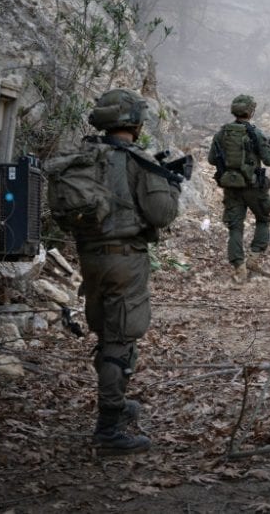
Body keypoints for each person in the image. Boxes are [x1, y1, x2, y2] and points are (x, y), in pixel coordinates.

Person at [77, 88, 180, 453]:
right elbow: (162, 215)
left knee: (107, 332)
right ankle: (108, 428)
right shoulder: (138, 160)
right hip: (125, 258)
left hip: (89, 258)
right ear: (135, 122)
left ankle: (117, 405)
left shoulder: (85, 154)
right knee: (120, 339)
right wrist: (171, 184)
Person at [208, 94, 270, 283]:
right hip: (254, 186)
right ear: (251, 111)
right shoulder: (256, 133)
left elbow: (212, 159)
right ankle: (253, 258)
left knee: (235, 227)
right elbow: (269, 160)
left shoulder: (222, 133)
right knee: (263, 219)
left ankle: (239, 268)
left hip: (231, 186)